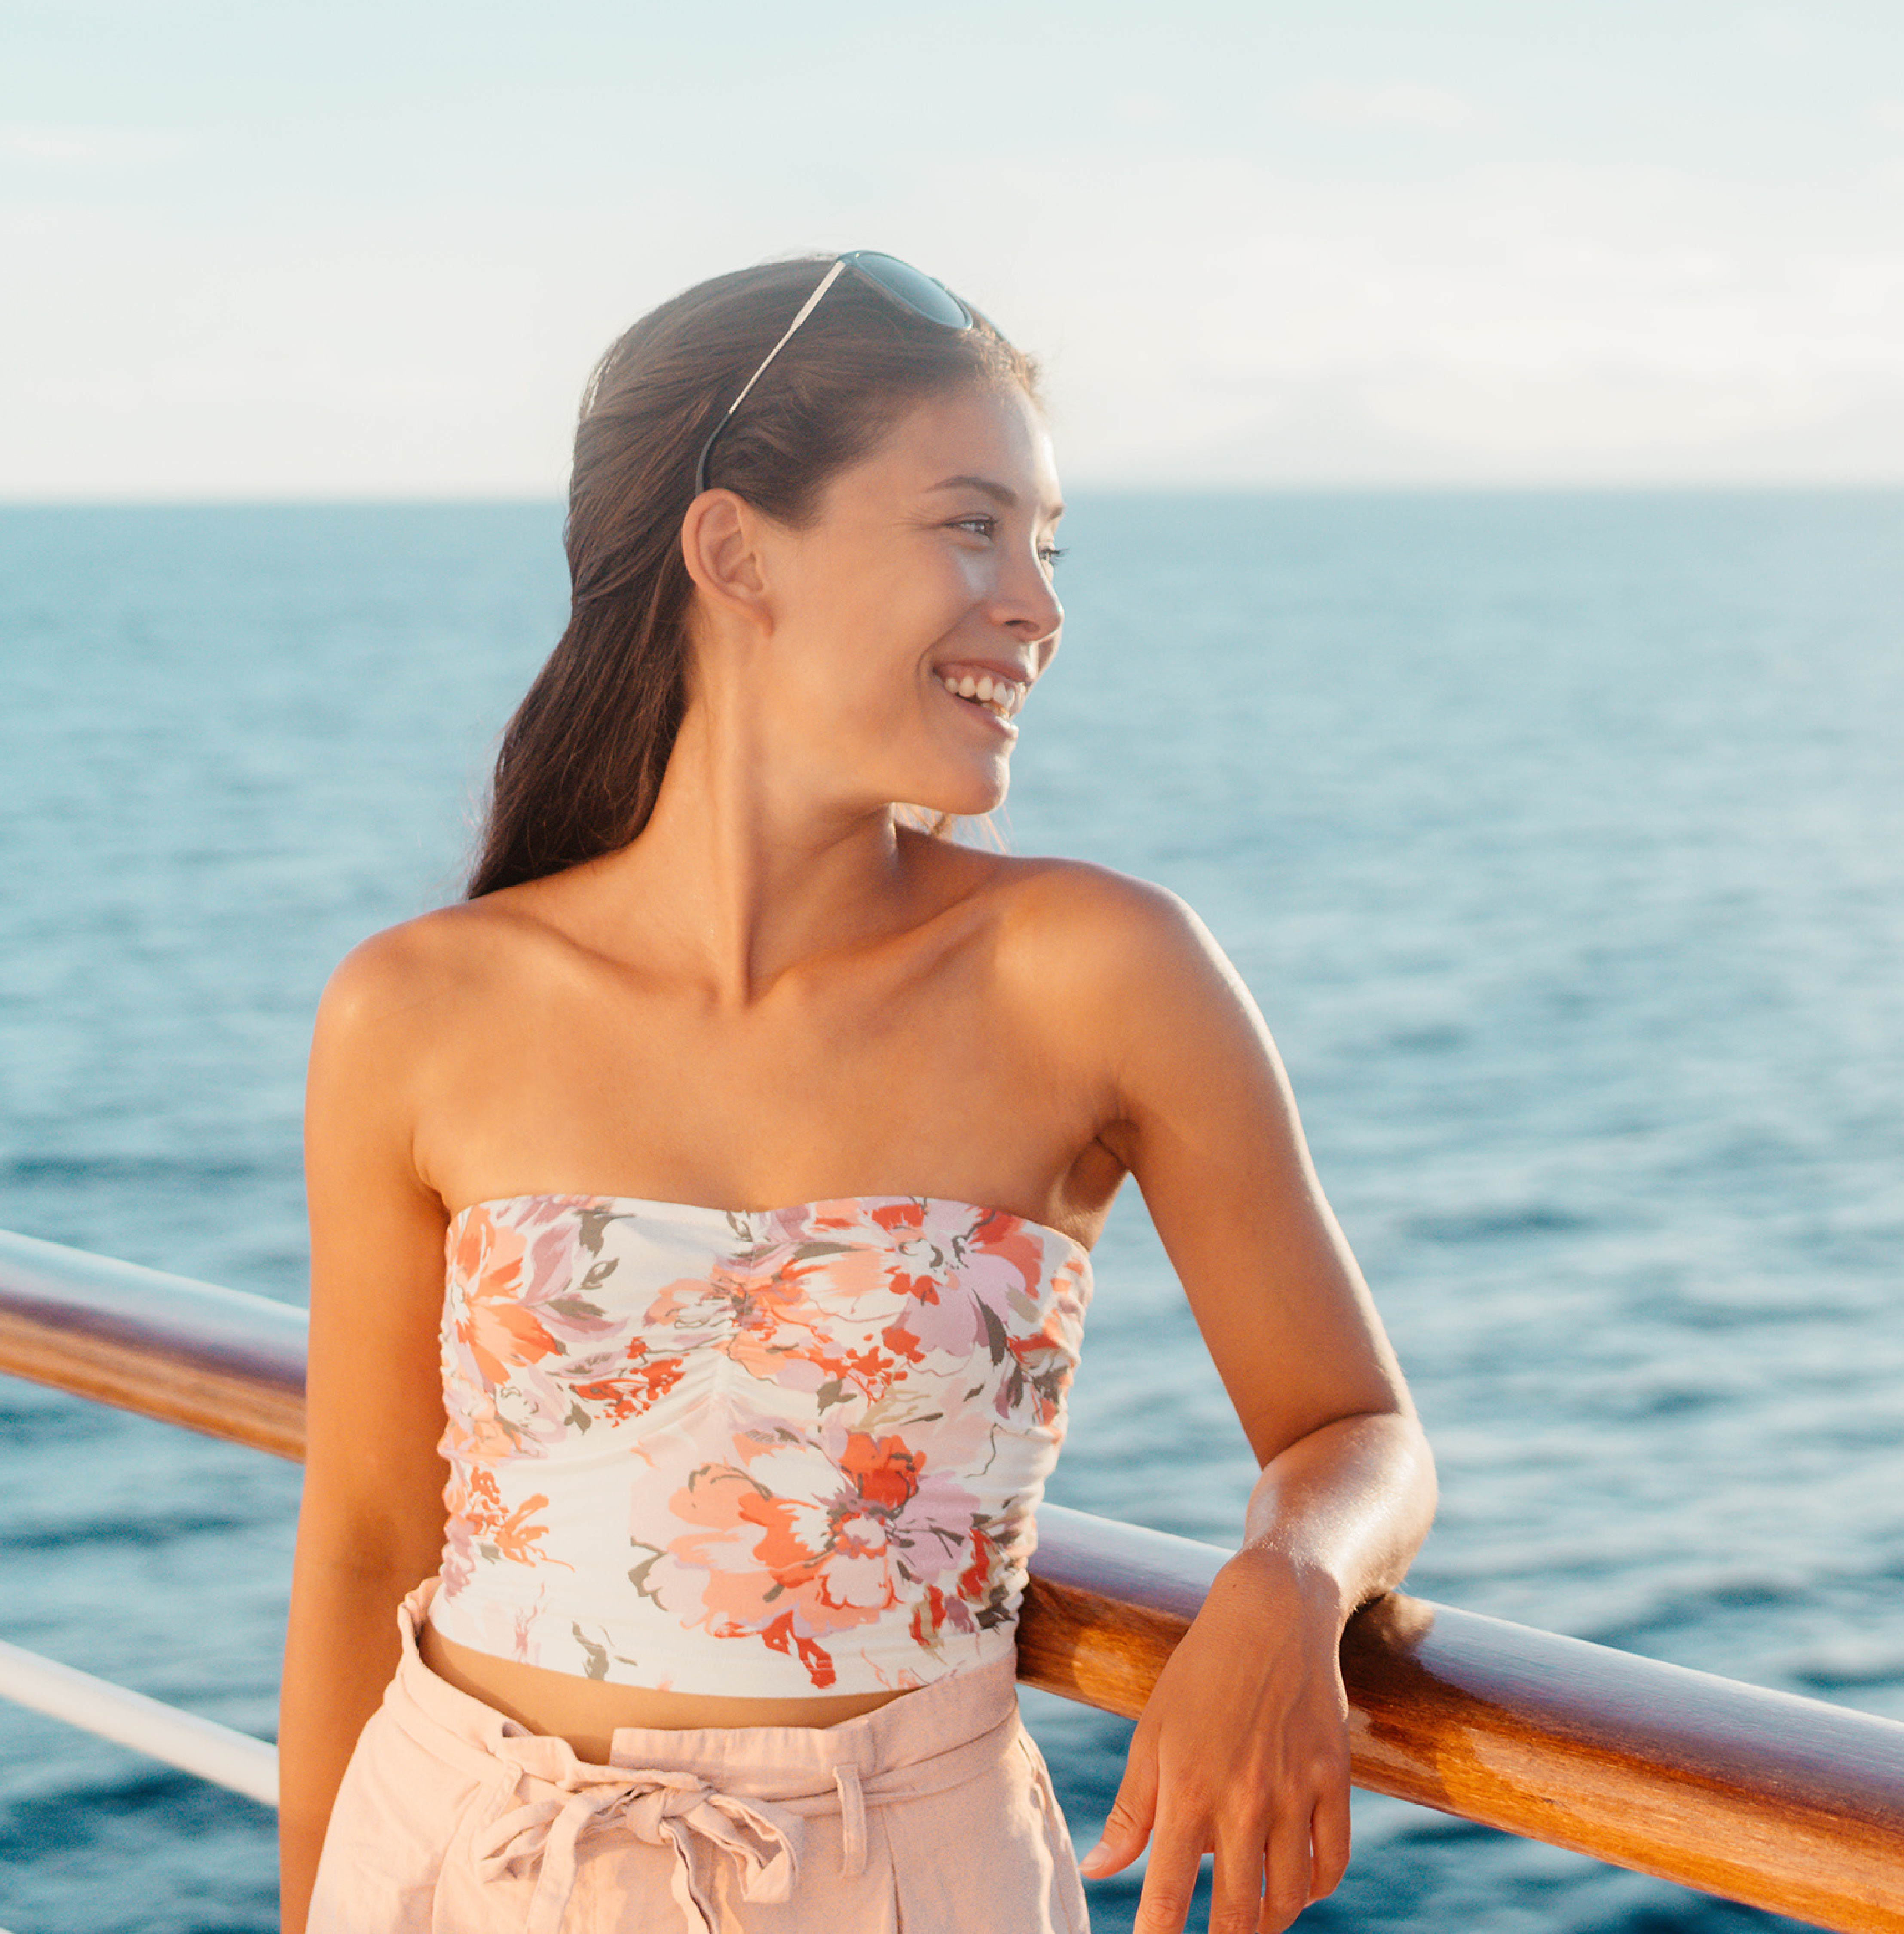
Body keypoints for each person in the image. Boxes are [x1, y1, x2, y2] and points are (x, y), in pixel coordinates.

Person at [277, 251, 1435, 1934]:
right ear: (736, 549)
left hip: (903, 1882)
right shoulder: (418, 1008)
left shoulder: (1098, 971)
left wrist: (1284, 1583)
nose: (1037, 602)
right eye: (972, 526)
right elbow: (370, 1539)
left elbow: (1358, 1432)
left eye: (1044, 544)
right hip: (454, 1859)